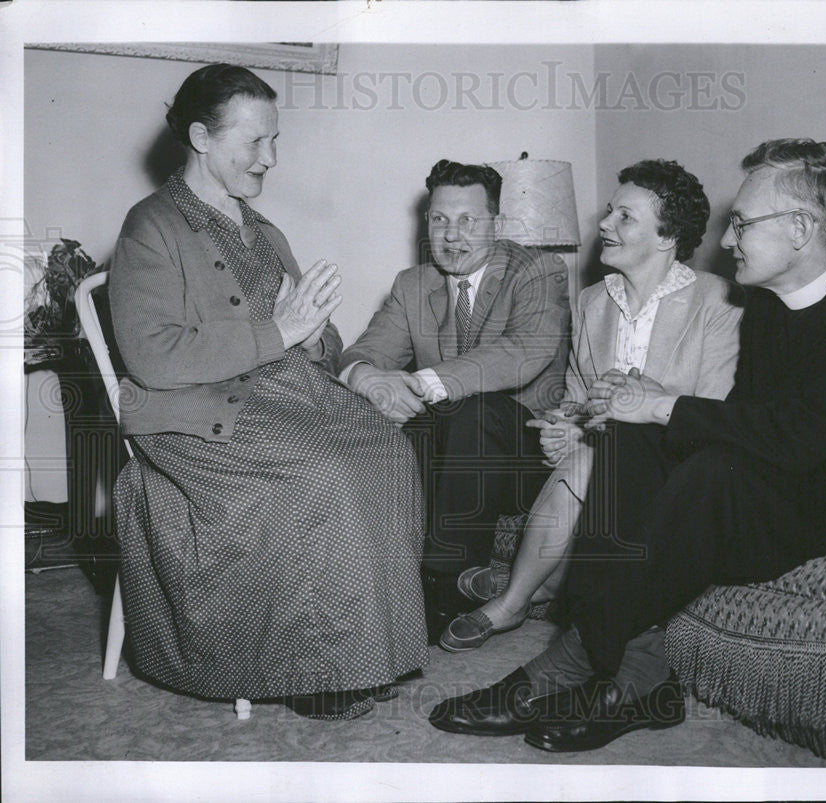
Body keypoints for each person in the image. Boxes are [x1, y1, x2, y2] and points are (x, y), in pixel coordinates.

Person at [429, 139, 826, 752]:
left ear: (800, 229)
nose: (726, 241)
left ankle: (567, 659)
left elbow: (806, 435)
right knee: (626, 440)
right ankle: (640, 682)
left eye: (740, 224)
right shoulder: (763, 305)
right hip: (788, 479)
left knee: (707, 472)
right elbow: (747, 420)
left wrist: (663, 403)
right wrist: (642, 413)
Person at [109, 64, 427, 721]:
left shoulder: (263, 229)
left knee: (389, 447)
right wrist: (280, 329)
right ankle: (316, 670)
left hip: (286, 393)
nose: (271, 158)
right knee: (326, 471)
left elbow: (316, 333)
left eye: (274, 140)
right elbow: (152, 358)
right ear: (201, 136)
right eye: (254, 143)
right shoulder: (151, 228)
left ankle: (372, 650)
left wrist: (310, 338)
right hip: (195, 414)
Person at [437, 159, 742, 652]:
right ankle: (545, 590)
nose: (603, 224)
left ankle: (511, 600)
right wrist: (566, 424)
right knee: (584, 457)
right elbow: (577, 397)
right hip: (599, 463)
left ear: (667, 237)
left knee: (590, 459)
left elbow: (709, 410)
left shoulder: (719, 301)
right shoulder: (592, 302)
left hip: (677, 466)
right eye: (608, 211)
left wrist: (602, 427)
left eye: (625, 217)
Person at [339, 159, 571, 641]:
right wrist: (369, 379)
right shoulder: (413, 285)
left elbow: (522, 353)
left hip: (528, 460)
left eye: (469, 220)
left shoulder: (537, 271)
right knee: (404, 420)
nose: (451, 235)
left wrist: (420, 384)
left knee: (466, 407)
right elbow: (366, 351)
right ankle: (390, 584)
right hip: (454, 455)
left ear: (498, 224)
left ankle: (445, 588)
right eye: (439, 219)